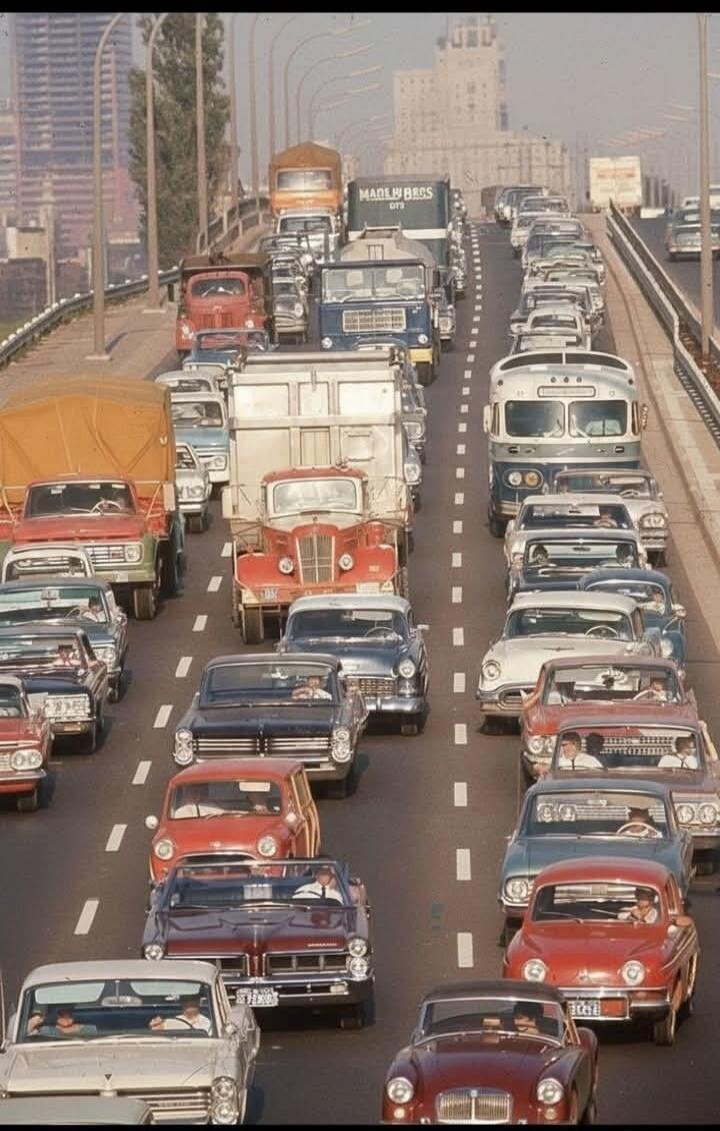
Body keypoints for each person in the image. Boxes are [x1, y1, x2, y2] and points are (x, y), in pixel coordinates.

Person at [27, 1007, 97, 1038]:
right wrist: (40, 1019)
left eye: (68, 1012)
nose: (64, 1016)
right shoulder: (44, 1031)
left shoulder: (90, 1029)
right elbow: (26, 1034)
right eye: (60, 1013)